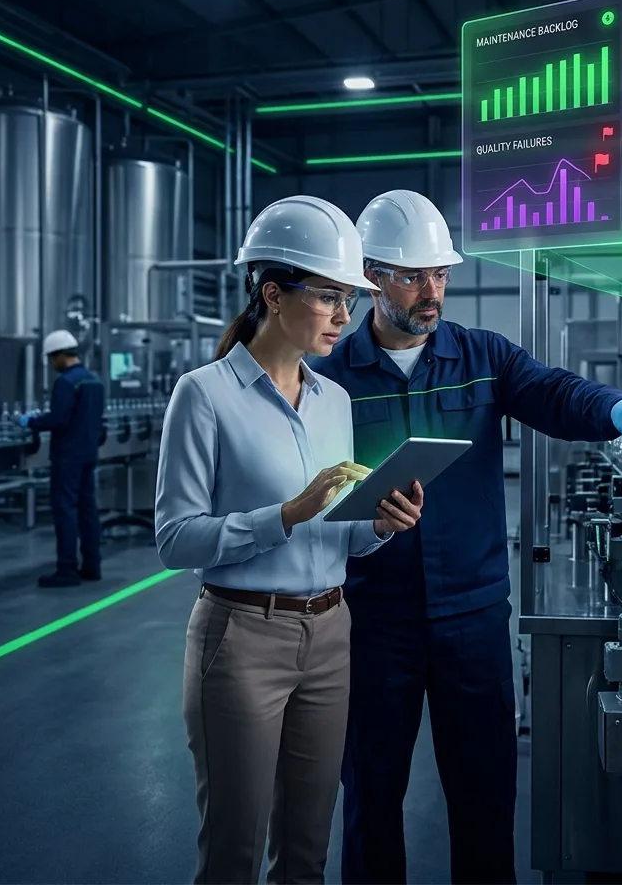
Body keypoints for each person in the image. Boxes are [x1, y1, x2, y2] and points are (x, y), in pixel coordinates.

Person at [309, 189, 622, 885]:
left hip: (472, 620)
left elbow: (554, 392)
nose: (432, 291)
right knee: (370, 796)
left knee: (484, 798)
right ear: (373, 277)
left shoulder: (485, 357)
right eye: (414, 275)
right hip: (371, 619)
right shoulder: (328, 379)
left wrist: (615, 407)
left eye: (440, 275)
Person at [154, 195, 426, 885]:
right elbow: (175, 538)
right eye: (331, 298)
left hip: (332, 633)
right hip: (242, 639)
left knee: (307, 855)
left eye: (350, 299)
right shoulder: (205, 394)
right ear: (274, 295)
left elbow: (336, 534)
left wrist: (379, 524)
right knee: (233, 855)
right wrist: (285, 513)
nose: (346, 317)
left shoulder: (332, 399)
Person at [20, 330, 105, 588]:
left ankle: (66, 568)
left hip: (68, 456)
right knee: (87, 509)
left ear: (59, 356)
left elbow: (59, 419)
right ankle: (92, 565)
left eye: (50, 359)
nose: (50, 364)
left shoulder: (67, 382)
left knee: (65, 510)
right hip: (89, 453)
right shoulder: (94, 380)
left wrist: (30, 422)